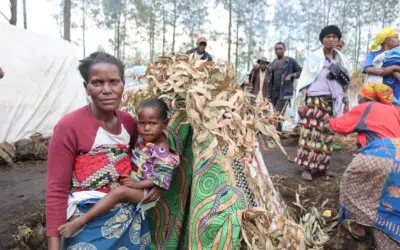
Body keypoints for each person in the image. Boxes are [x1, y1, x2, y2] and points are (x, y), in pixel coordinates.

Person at [46, 52, 159, 250]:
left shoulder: (130, 123)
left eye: (114, 82)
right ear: (86, 88)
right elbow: (56, 191)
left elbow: (143, 161)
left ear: (123, 84)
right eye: (97, 83)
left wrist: (154, 184)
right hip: (87, 224)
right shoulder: (69, 126)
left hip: (130, 224)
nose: (107, 90)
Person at [57, 98, 180, 238]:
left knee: (118, 192)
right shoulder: (146, 137)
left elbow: (160, 179)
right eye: (142, 123)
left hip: (146, 190)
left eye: (152, 124)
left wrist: (137, 184)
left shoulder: (162, 152)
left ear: (165, 123)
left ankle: (81, 221)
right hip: (136, 180)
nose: (146, 128)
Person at [328, 83, 400, 249]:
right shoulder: (396, 110)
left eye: (360, 98)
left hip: (379, 154)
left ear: (367, 97)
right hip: (398, 156)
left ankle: (357, 224)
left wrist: (327, 122)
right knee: (389, 200)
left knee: (349, 185)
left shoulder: (367, 107)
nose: (358, 102)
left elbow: (340, 125)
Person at [294, 25, 350, 181]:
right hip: (314, 100)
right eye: (328, 37)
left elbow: (345, 83)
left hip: (332, 101)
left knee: (327, 135)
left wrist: (346, 102)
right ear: (322, 39)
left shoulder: (341, 59)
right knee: (311, 133)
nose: (331, 39)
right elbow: (305, 81)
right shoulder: (314, 57)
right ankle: (307, 168)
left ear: (338, 39)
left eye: (334, 37)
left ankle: (322, 168)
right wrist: (301, 104)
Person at [363, 27, 400, 96]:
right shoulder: (373, 54)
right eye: (396, 37)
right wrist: (388, 71)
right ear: (386, 40)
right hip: (376, 93)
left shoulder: (397, 56)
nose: (399, 40)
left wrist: (393, 68)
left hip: (395, 95)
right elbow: (368, 69)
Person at [268, 42, 302, 112]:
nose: (278, 51)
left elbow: (301, 72)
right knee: (276, 113)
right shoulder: (273, 63)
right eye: (276, 49)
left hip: (283, 92)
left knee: (277, 113)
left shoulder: (290, 61)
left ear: (284, 50)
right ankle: (279, 123)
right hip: (273, 93)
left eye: (280, 49)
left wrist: (291, 75)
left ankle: (278, 123)